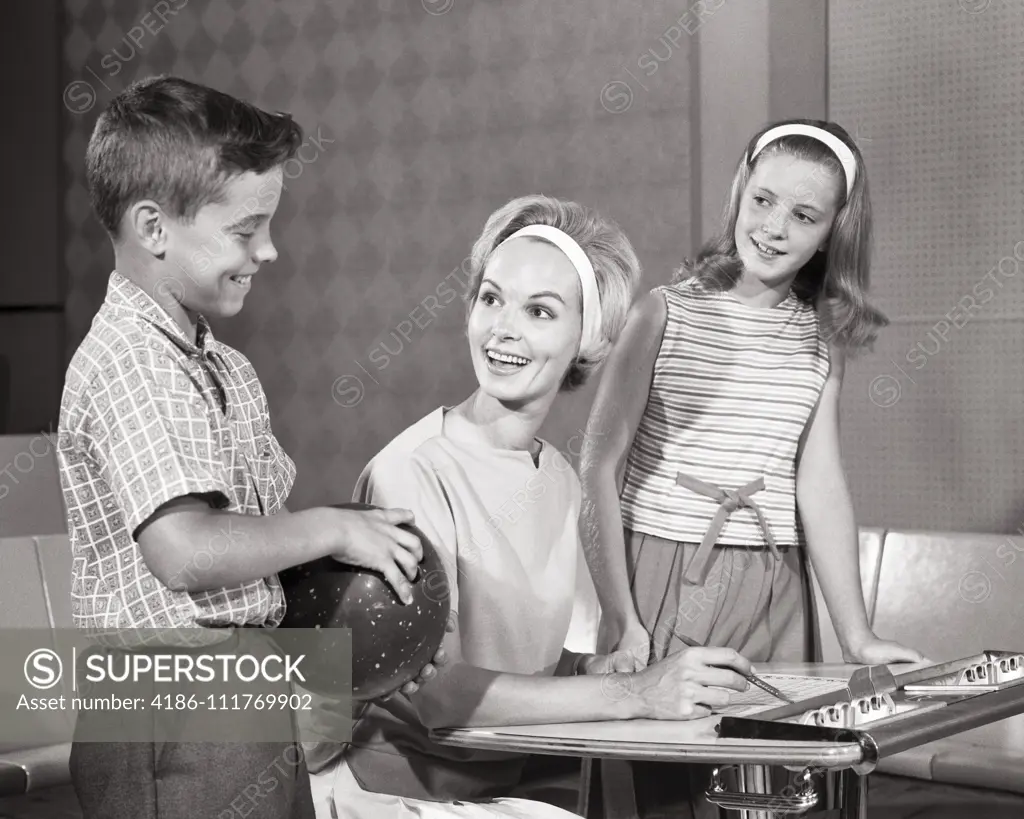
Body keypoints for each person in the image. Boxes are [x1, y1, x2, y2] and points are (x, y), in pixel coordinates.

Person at [56, 75, 442, 819]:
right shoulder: (131, 361)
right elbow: (185, 549)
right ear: (153, 227)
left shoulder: (224, 367)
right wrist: (333, 524)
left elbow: (261, 565)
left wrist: (369, 648)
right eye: (245, 229)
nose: (268, 249)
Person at [305, 194, 756, 818]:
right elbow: (441, 695)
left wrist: (592, 667)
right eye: (491, 299)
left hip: (513, 781)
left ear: (589, 339)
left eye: (540, 311)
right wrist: (632, 693)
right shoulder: (412, 471)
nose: (503, 329)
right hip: (399, 791)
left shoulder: (562, 480)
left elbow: (522, 662)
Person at [579, 119, 927, 817]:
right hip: (667, 575)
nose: (773, 227)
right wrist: (622, 618)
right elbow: (596, 466)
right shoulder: (665, 313)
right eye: (763, 201)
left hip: (776, 584)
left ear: (832, 231)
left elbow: (820, 485)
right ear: (740, 192)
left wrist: (856, 633)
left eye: (803, 215)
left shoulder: (821, 339)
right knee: (663, 787)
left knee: (774, 785)